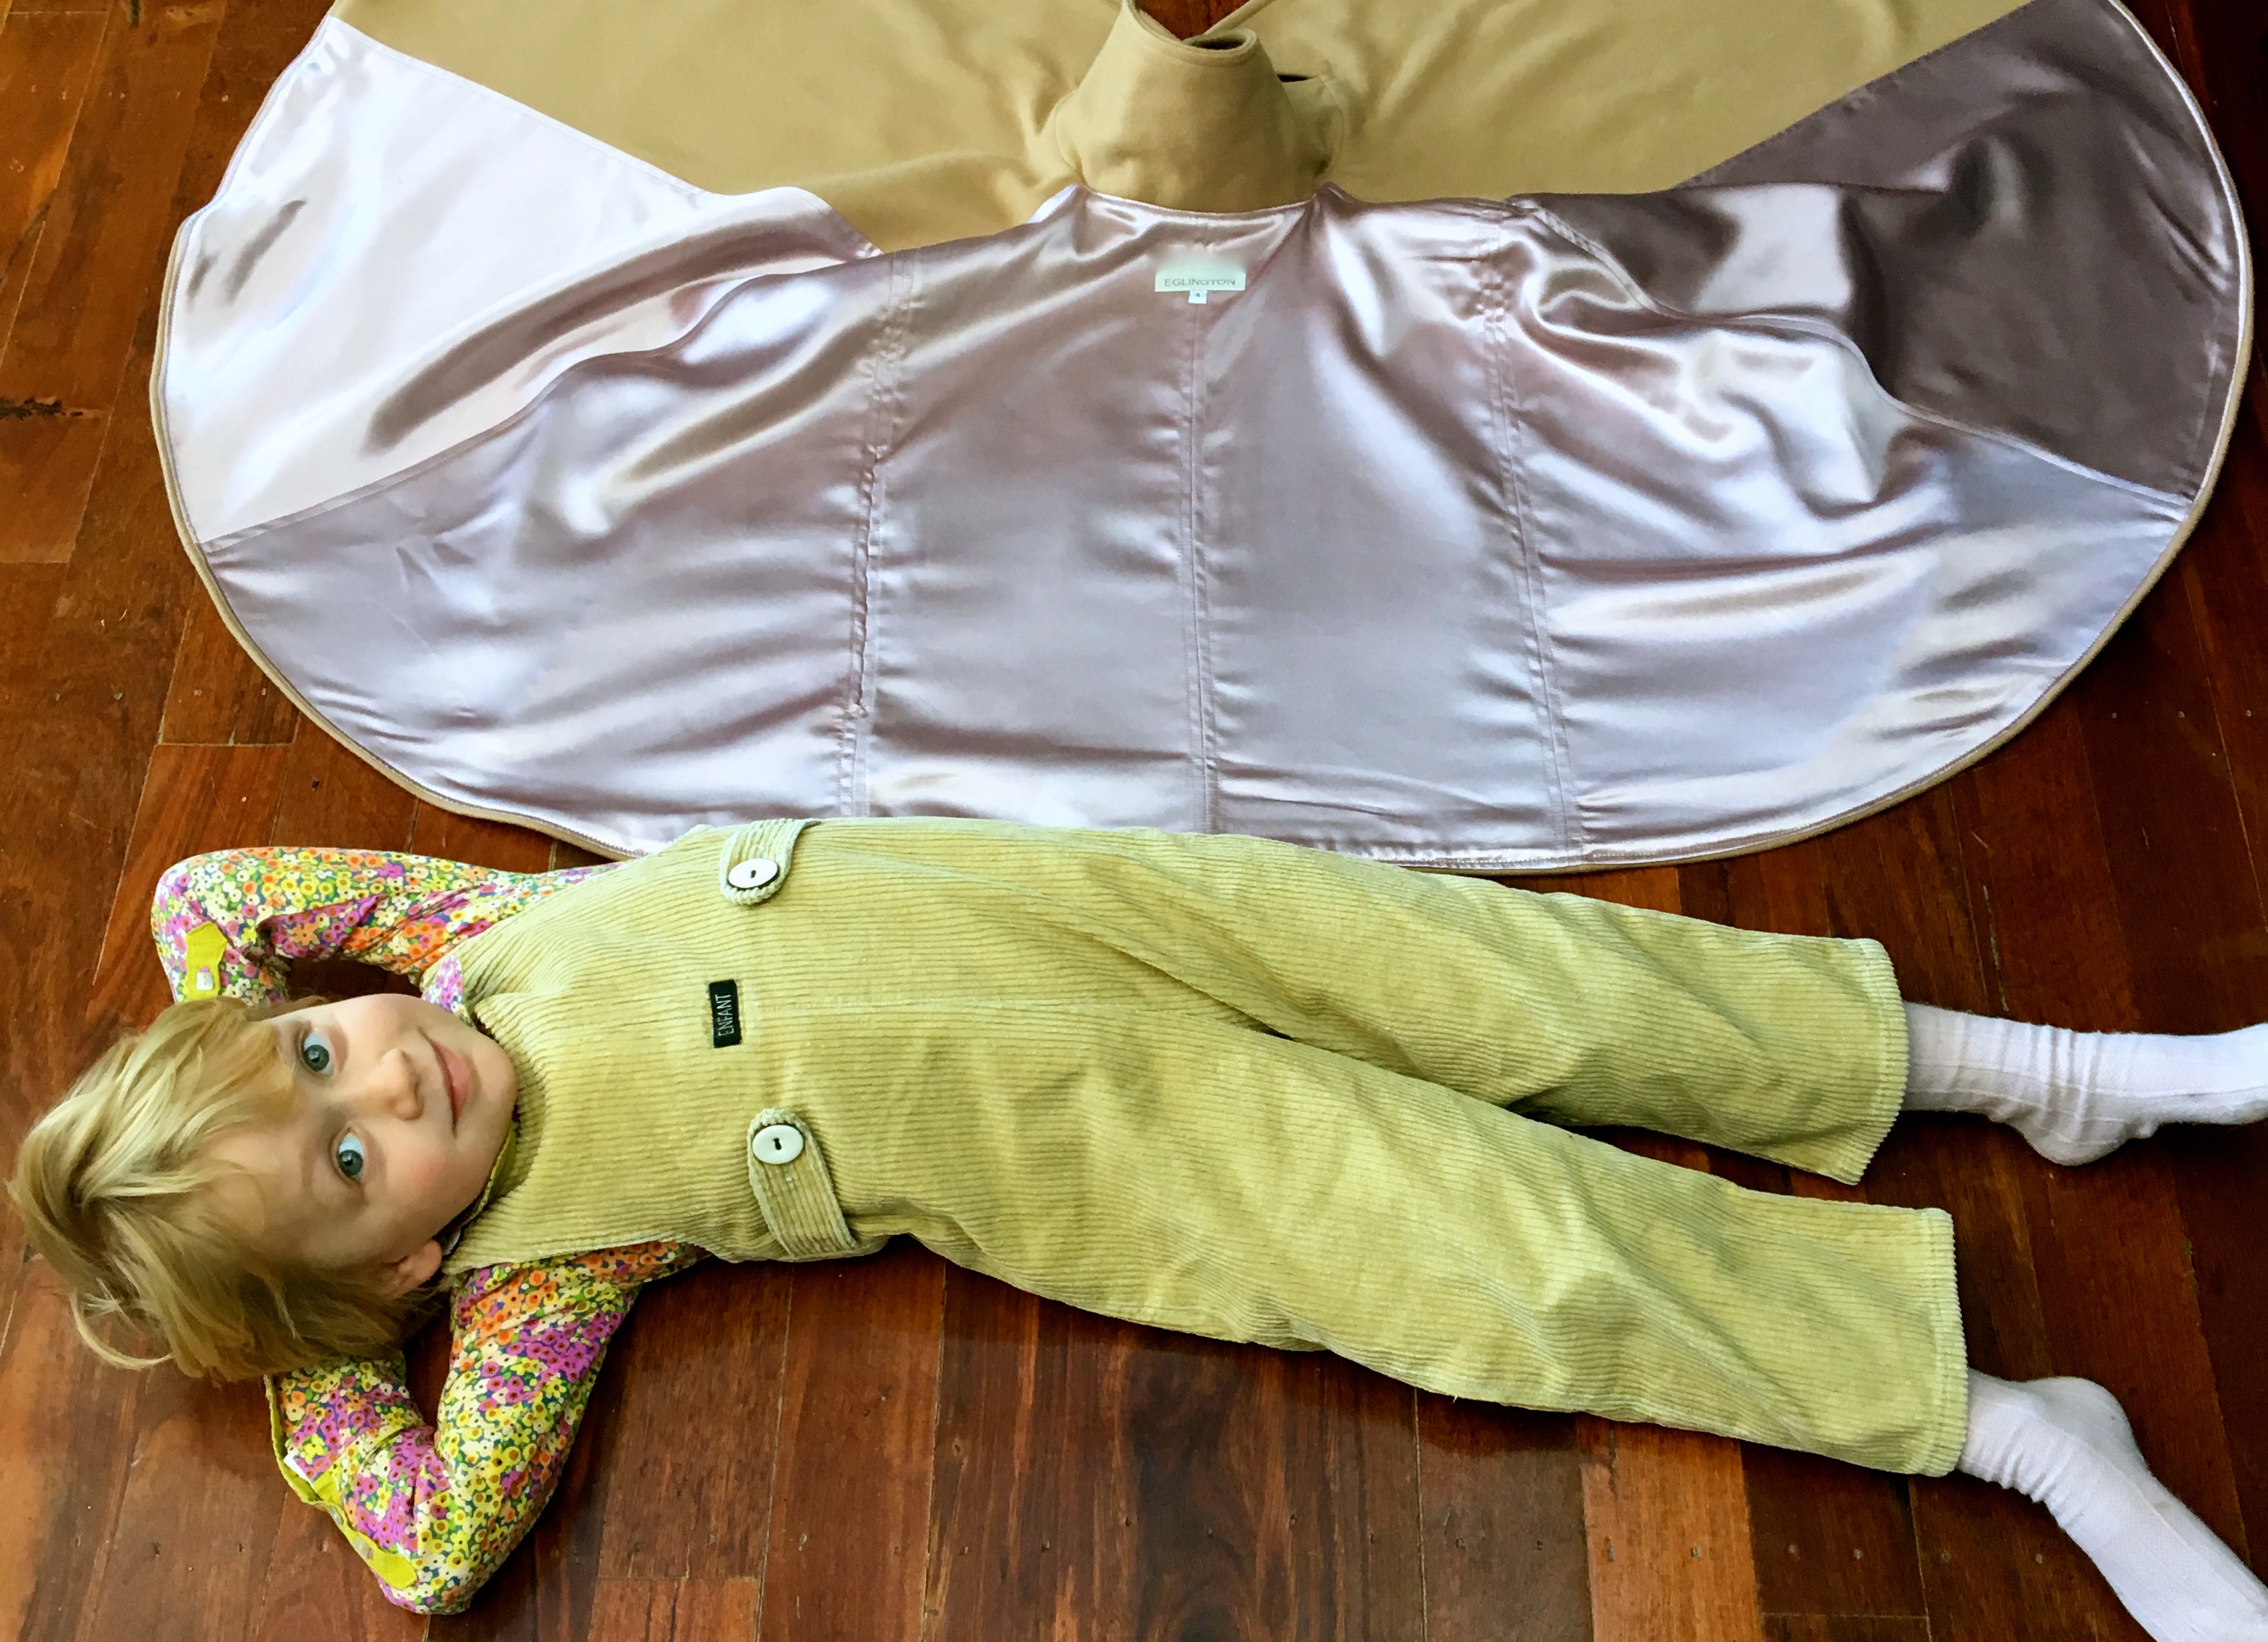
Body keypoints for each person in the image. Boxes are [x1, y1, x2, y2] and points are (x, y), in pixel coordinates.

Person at [12, 818, 2268, 1637]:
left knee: (1544, 982)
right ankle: (2006, 1423)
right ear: (404, 1265)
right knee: (1509, 1257)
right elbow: (429, 1549)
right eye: (349, 1163)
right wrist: (321, 1335)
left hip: (1112, 909)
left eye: (317, 1056)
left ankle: (2041, 1068)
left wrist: (251, 1106)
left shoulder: (452, 939)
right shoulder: (533, 1282)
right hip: (1121, 1144)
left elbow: (207, 897)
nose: (382, 1084)